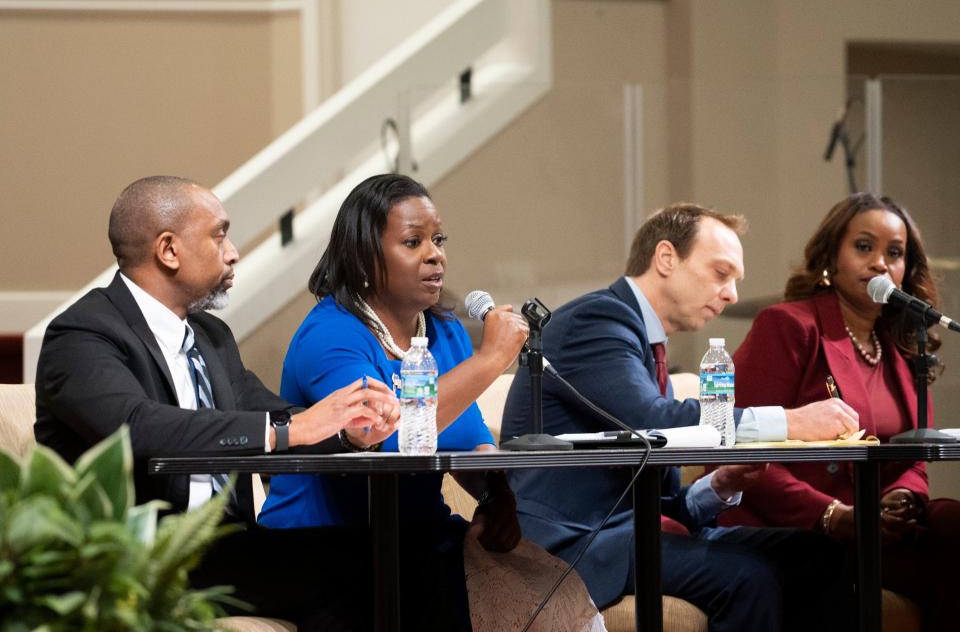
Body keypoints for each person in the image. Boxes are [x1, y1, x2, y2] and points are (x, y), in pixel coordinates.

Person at [33, 175, 474, 631]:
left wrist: (348, 428)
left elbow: (271, 413)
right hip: (139, 554)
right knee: (354, 573)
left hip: (227, 549)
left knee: (409, 555)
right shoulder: (84, 335)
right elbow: (137, 426)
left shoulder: (210, 337)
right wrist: (288, 430)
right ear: (168, 250)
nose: (233, 251)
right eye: (219, 234)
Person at [257, 174, 606, 632]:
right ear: (365, 257)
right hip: (324, 546)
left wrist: (494, 496)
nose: (435, 254)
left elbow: (469, 440)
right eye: (413, 241)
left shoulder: (444, 331)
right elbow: (384, 438)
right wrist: (490, 359)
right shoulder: (331, 336)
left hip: (419, 539)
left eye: (438, 239)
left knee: (548, 593)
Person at [501, 203, 860, 632]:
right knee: (748, 577)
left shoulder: (646, 340)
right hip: (577, 542)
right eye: (721, 273)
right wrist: (789, 421)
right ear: (667, 258)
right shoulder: (595, 320)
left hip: (630, 533)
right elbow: (651, 422)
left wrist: (718, 487)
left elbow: (656, 486)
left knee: (821, 555)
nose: (732, 295)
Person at [722, 193, 960, 631]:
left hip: (874, 528)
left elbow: (913, 457)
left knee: (953, 528)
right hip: (796, 529)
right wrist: (832, 514)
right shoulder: (790, 326)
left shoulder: (902, 345)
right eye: (864, 247)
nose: (879, 263)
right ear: (831, 256)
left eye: (895, 253)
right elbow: (740, 448)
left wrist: (902, 498)